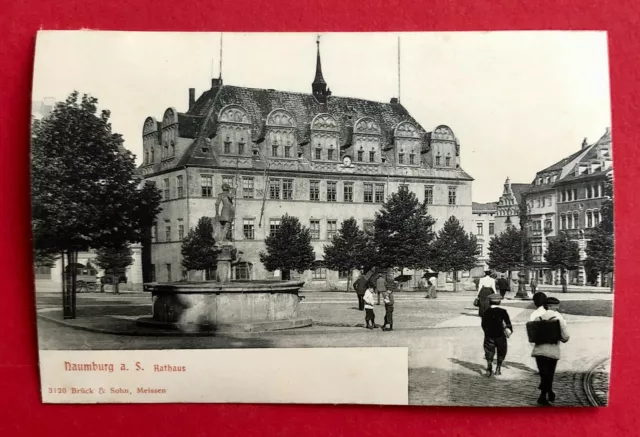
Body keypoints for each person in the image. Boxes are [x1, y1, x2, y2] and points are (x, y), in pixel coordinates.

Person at [531, 296, 570, 405]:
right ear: (553, 306)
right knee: (549, 374)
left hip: (538, 350)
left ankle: (548, 393)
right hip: (552, 351)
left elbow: (532, 335)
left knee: (543, 374)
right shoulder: (559, 319)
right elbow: (565, 337)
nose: (558, 307)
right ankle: (543, 396)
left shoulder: (537, 318)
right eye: (557, 305)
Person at [481, 293, 513, 377]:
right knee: (501, 351)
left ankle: (489, 367)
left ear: (489, 302)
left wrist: (486, 332)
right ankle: (498, 368)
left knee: (489, 351)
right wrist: (509, 330)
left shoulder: (486, 312)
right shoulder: (503, 311)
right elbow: (508, 323)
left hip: (489, 336)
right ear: (499, 302)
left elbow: (483, 324)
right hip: (500, 336)